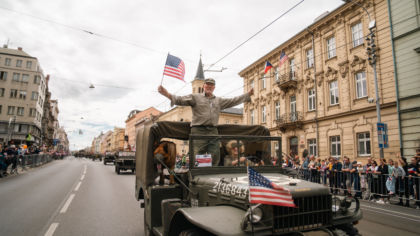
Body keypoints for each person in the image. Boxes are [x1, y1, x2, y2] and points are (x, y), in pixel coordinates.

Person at [158, 78, 253, 166]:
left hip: (213, 131)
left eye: (211, 85)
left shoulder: (218, 100)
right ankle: (195, 176)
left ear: (214, 87)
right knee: (197, 154)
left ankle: (211, 175)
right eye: (207, 84)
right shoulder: (195, 97)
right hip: (198, 130)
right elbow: (180, 100)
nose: (209, 86)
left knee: (215, 154)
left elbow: (233, 101)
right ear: (204, 86)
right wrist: (166, 94)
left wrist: (247, 95)